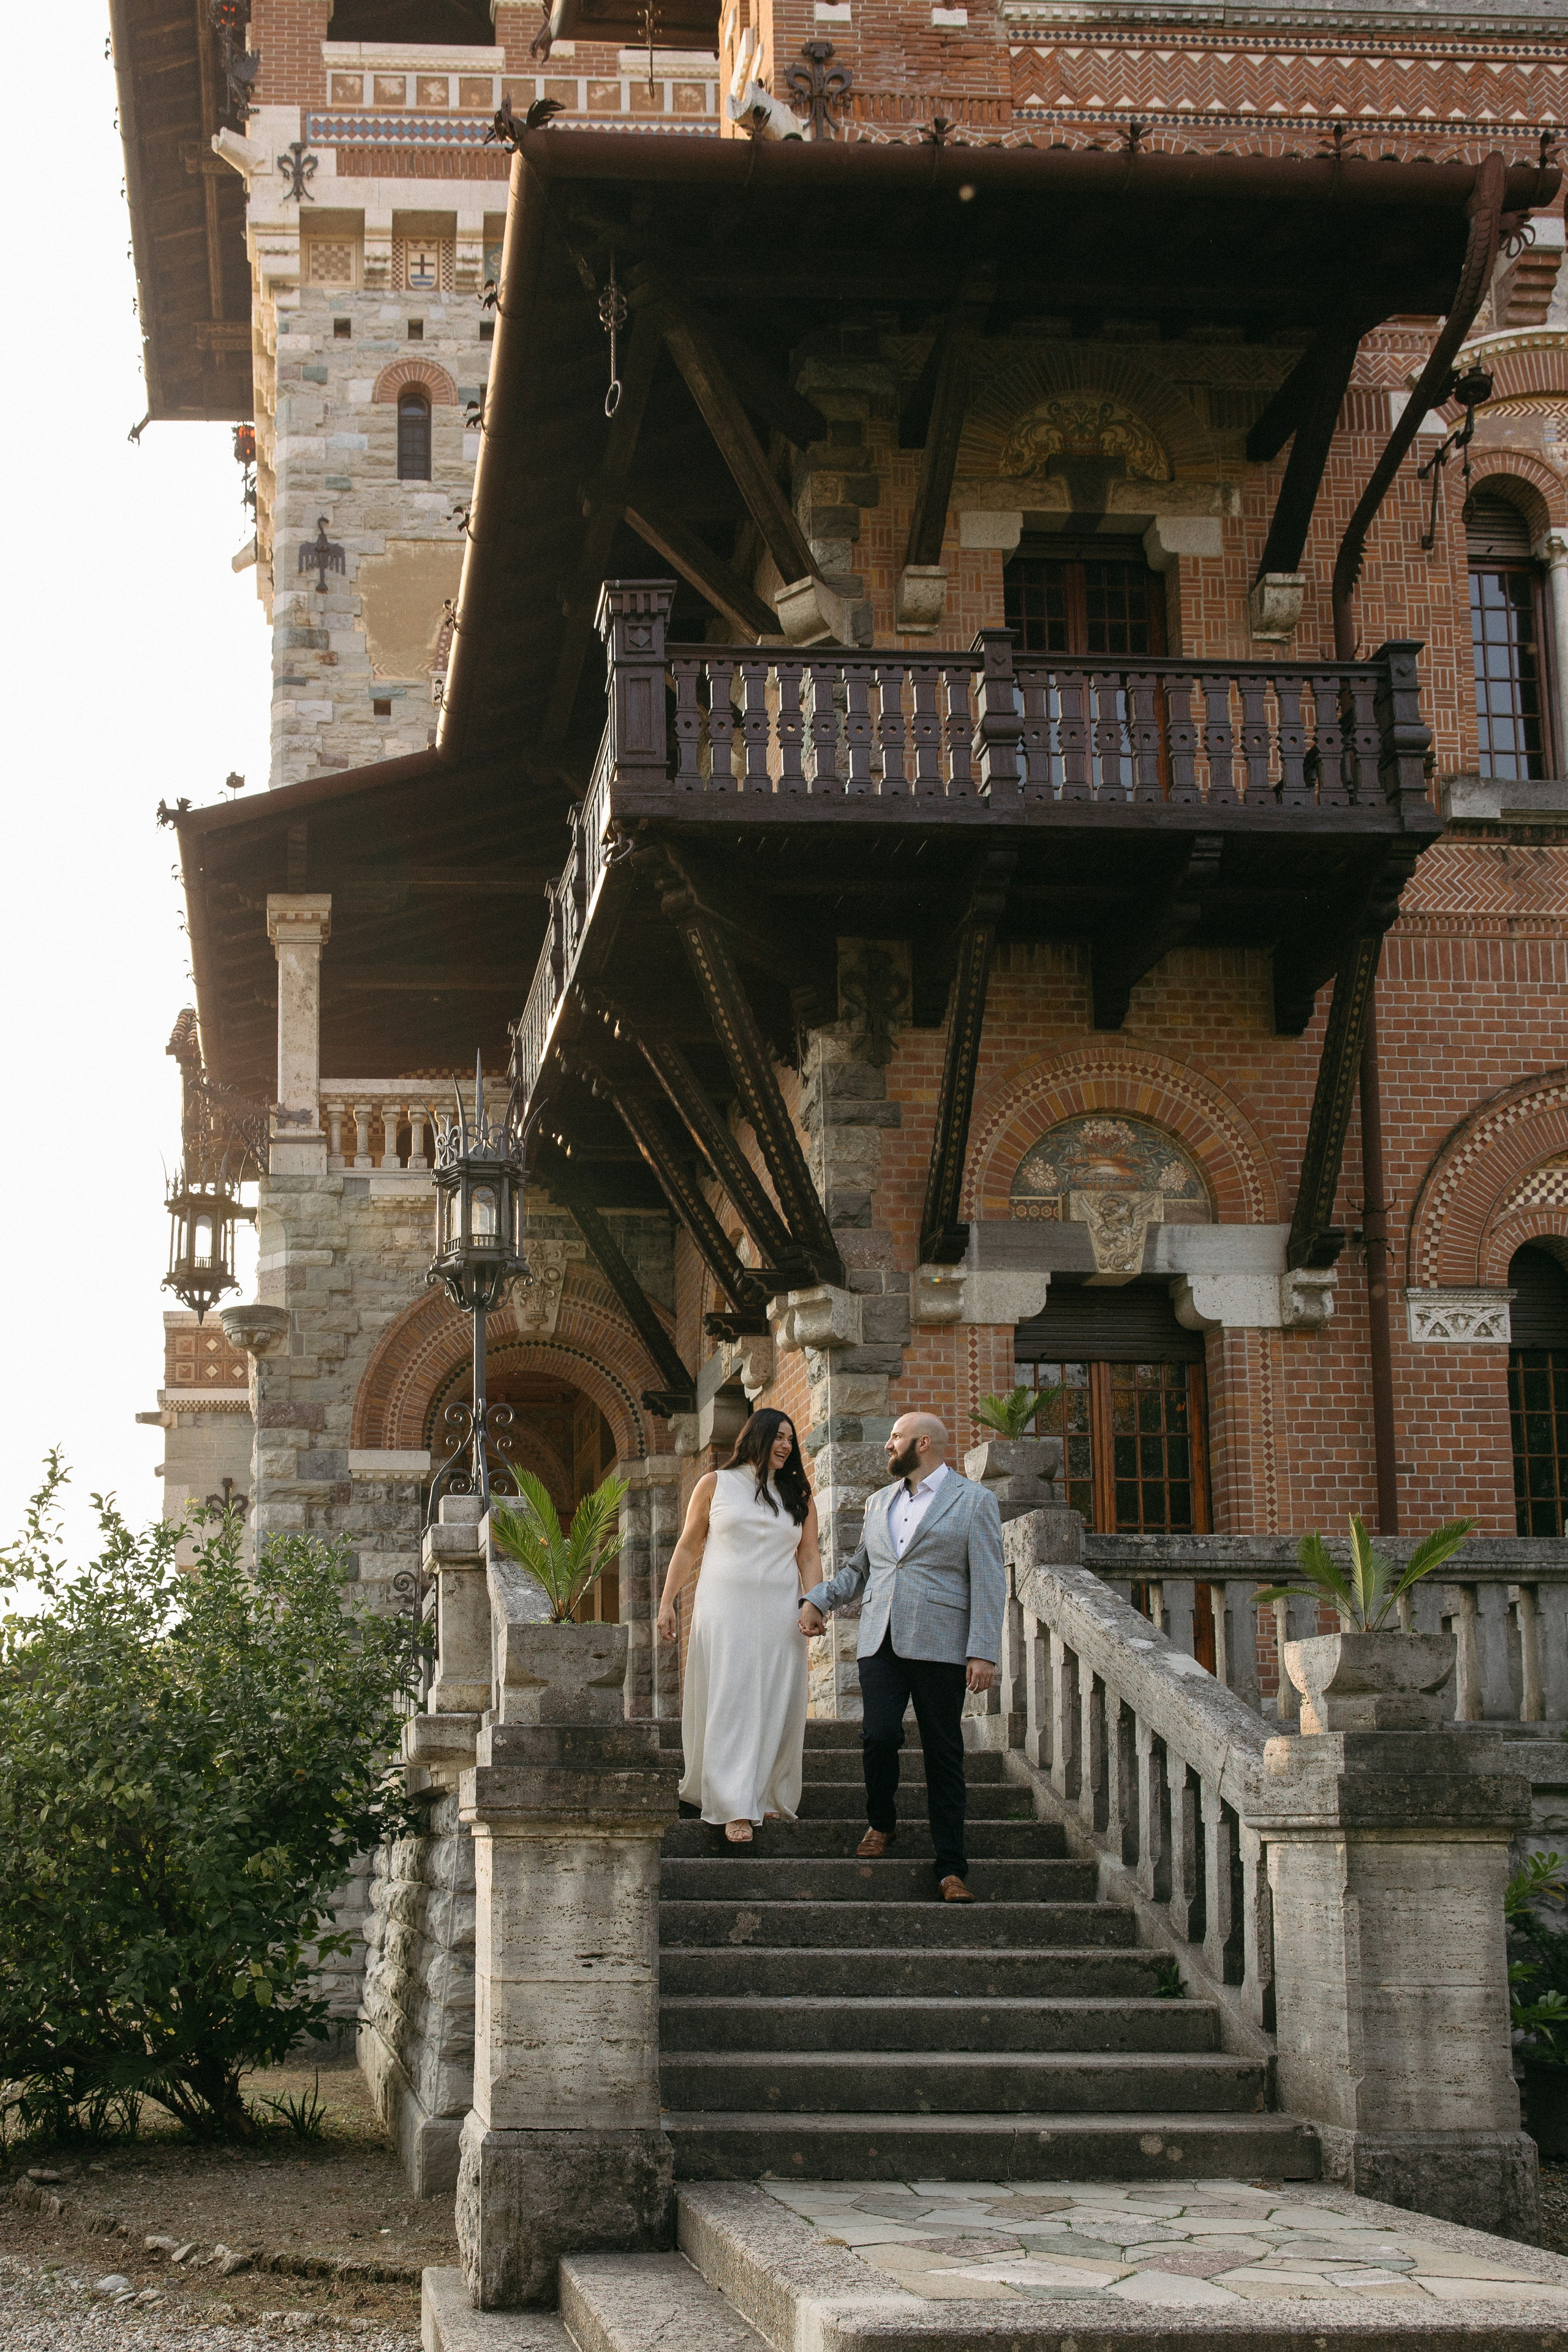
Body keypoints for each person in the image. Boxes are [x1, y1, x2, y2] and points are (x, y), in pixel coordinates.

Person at [797, 1411, 1004, 1902]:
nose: (888, 1446)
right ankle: (881, 1822)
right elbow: (858, 1569)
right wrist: (817, 1598)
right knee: (879, 1734)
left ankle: (952, 1868)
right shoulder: (877, 1503)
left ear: (924, 1443)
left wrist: (983, 1651)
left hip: (942, 1642)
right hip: (880, 1640)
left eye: (896, 1437)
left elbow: (990, 1580)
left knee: (943, 1752)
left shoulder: (974, 1501)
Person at [657, 1408, 821, 1845]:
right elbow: (689, 1545)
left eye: (791, 1438)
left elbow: (808, 1556)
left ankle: (764, 1792)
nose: (786, 1445)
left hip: (780, 1611)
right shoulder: (715, 1484)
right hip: (724, 1607)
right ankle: (732, 1807)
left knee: (774, 1698)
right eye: (779, 1437)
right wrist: (667, 1602)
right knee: (731, 1698)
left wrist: (814, 1602)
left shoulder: (799, 1495)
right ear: (757, 1437)